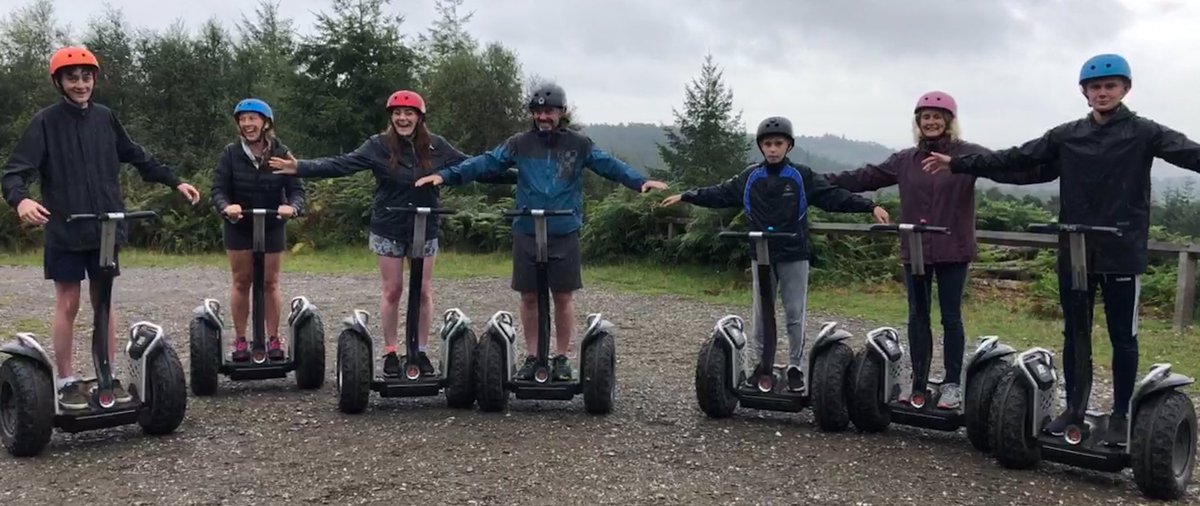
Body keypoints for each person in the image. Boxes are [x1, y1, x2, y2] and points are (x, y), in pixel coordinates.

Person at [923, 54, 1200, 445]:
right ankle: (1075, 408)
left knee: (1124, 337)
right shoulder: (1067, 135)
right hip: (1075, 250)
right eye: (1095, 87)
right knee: (1076, 335)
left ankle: (1121, 413)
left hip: (1122, 249)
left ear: (1125, 90)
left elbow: (1190, 153)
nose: (1102, 93)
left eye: (1110, 86)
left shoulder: (1145, 132)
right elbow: (1017, 157)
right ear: (1085, 93)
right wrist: (962, 164)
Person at [415, 82, 669, 381]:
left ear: (561, 112)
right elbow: (485, 163)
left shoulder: (579, 145)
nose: (543, 117)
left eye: (549, 111)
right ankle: (534, 355)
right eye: (537, 112)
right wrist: (445, 176)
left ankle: (561, 357)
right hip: (527, 228)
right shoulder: (519, 143)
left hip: (563, 228)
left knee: (562, 296)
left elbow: (609, 165)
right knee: (530, 297)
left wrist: (640, 181)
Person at [825, 91, 1055, 409]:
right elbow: (864, 177)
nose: (931, 122)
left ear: (948, 121)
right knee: (917, 316)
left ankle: (951, 385)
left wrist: (1053, 167)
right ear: (918, 123)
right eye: (925, 117)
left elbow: (1007, 169)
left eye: (937, 117)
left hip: (953, 248)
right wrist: (813, 180)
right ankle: (917, 384)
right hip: (915, 247)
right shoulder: (905, 160)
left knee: (951, 317)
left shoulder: (965, 155)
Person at [1, 46, 201, 410]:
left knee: (104, 301)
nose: (81, 84)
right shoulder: (46, 122)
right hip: (65, 226)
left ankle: (106, 376)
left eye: (86, 77)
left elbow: (137, 155)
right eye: (72, 77)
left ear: (94, 79)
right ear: (59, 82)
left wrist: (174, 181)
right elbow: (17, 170)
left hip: (106, 226)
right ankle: (65, 381)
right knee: (69, 301)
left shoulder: (105, 118)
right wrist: (21, 200)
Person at [270, 90, 511, 377]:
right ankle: (392, 351)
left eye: (409, 113)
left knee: (422, 290)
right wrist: (301, 168)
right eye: (397, 113)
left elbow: (473, 168)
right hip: (389, 225)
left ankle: (420, 352)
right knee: (393, 289)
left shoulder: (437, 146)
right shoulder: (378, 146)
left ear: (420, 117)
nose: (403, 118)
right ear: (391, 117)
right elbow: (342, 164)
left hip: (425, 226)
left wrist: (521, 174)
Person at [660, 116, 890, 393]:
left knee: (794, 312)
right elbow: (721, 193)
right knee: (762, 314)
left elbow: (834, 196)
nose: (772, 149)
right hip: (761, 253)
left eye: (778, 144)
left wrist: (868, 207)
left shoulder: (801, 176)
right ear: (760, 147)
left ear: (788, 146)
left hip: (794, 253)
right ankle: (762, 365)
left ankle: (795, 366)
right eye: (767, 144)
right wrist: (687, 196)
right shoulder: (750, 176)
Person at [211, 98, 305, 362]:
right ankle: (241, 340)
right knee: (242, 281)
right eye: (243, 119)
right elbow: (218, 189)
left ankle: (273, 339)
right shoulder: (231, 153)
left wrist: (293, 208)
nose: (247, 124)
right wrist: (226, 206)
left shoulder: (281, 152)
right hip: (239, 225)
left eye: (252, 118)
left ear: (265, 123)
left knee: (270, 282)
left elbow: (297, 190)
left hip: (273, 223)